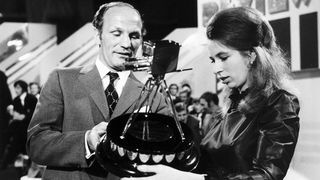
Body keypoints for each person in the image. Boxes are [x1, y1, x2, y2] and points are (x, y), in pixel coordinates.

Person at [123, 7, 300, 180]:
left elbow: (266, 175)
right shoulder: (234, 102)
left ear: (251, 55)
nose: (216, 69)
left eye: (223, 57)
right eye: (212, 60)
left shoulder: (279, 102)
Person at [26, 2, 169, 180]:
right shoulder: (61, 80)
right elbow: (37, 144)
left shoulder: (155, 97)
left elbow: (167, 153)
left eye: (134, 35)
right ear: (98, 36)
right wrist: (86, 141)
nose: (126, 43)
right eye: (116, 33)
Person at [0, 80, 37, 169]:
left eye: (18, 88)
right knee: (10, 137)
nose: (16, 90)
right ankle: (6, 164)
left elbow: (34, 113)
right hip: (20, 128)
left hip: (30, 126)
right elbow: (15, 115)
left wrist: (22, 116)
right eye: (15, 88)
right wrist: (15, 114)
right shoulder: (16, 100)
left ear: (23, 88)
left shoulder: (32, 98)